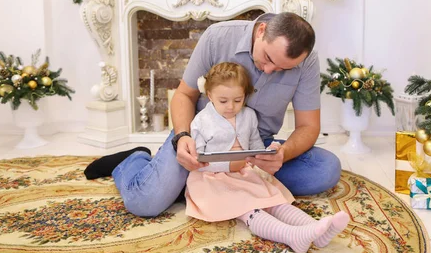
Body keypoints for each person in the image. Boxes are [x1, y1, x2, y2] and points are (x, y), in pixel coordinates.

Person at [84, 12, 341, 218]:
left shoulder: (307, 62)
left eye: (283, 68)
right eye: (268, 58)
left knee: (326, 169)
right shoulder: (218, 37)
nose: (272, 70)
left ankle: (187, 185)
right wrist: (183, 136)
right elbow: (184, 95)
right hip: (200, 144)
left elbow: (308, 126)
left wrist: (282, 154)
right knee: (145, 203)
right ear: (261, 31)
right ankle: (134, 159)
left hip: (254, 149)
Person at [185, 62, 349, 253]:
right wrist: (229, 165)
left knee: (274, 201)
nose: (231, 107)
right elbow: (199, 162)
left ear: (245, 96)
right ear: (210, 95)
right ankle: (291, 235)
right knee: (248, 208)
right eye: (223, 101)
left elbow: (255, 146)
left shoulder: (248, 116)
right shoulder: (201, 122)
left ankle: (319, 231)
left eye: (238, 100)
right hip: (213, 180)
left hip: (244, 173)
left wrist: (267, 152)